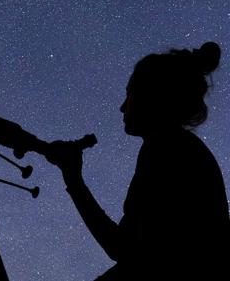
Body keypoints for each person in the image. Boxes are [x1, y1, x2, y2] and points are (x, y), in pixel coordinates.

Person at [46, 42, 230, 280]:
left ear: (152, 96)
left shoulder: (166, 150)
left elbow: (122, 247)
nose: (122, 107)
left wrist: (73, 178)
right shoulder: (179, 148)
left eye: (129, 93)